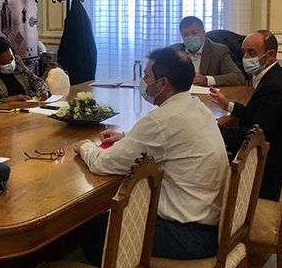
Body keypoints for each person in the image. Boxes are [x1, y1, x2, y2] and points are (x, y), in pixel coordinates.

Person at [72, 47, 228, 262]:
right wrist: (127, 137)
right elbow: (166, 141)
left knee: (89, 226)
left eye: (146, 76)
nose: (143, 82)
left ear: (163, 83)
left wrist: (85, 147)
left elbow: (105, 163)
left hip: (186, 236)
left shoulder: (161, 120)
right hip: (209, 226)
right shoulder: (196, 107)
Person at [210, 30, 282, 201]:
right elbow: (258, 116)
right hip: (273, 150)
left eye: (252, 52)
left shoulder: (274, 88)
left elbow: (256, 135)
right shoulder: (274, 77)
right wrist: (228, 105)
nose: (245, 57)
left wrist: (215, 130)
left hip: (268, 169)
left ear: (271, 55)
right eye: (244, 52)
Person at [0, 36, 50, 111]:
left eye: (11, 58)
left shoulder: (17, 63)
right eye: (4, 62)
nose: (10, 63)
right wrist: (7, 100)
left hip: (27, 111)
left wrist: (41, 90)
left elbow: (36, 81)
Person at [174, 16, 245, 86]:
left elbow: (238, 77)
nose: (190, 37)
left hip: (208, 95)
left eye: (194, 33)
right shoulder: (174, 52)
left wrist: (206, 80)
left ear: (203, 33)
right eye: (185, 35)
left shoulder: (219, 51)